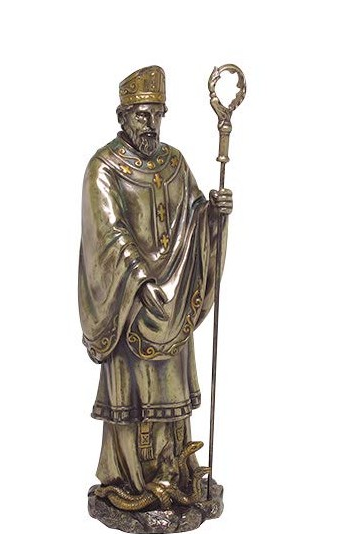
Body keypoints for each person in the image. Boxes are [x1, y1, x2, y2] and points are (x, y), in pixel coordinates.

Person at [79, 66, 232, 502]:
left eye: (157, 115)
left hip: (173, 301)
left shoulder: (174, 163)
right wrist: (139, 281)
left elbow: (193, 217)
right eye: (142, 115)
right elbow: (107, 233)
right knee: (134, 397)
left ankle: (175, 470)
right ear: (122, 116)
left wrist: (214, 215)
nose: (151, 124)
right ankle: (130, 480)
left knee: (170, 392)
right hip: (129, 303)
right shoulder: (103, 168)